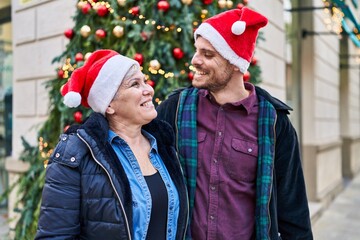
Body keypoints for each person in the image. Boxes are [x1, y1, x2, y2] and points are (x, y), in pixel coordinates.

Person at [156, 7, 313, 240]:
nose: (195, 60)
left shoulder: (274, 123)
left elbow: (293, 209)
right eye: (197, 50)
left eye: (208, 55)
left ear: (235, 63)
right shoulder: (174, 110)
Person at [35, 49, 188, 240]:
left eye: (144, 81)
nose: (149, 89)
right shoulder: (77, 153)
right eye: (135, 84)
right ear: (109, 105)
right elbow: (55, 236)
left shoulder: (164, 145)